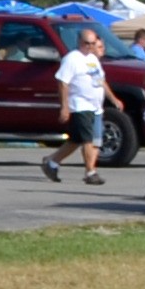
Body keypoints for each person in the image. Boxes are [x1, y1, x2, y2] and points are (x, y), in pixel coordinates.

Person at [45, 25, 109, 185]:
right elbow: (62, 82)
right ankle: (90, 172)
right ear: (80, 41)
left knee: (76, 140)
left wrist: (113, 99)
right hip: (80, 105)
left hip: (95, 106)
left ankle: (52, 162)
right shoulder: (72, 58)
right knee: (88, 140)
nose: (90, 46)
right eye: (87, 43)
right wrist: (65, 107)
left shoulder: (93, 59)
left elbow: (100, 81)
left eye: (93, 43)